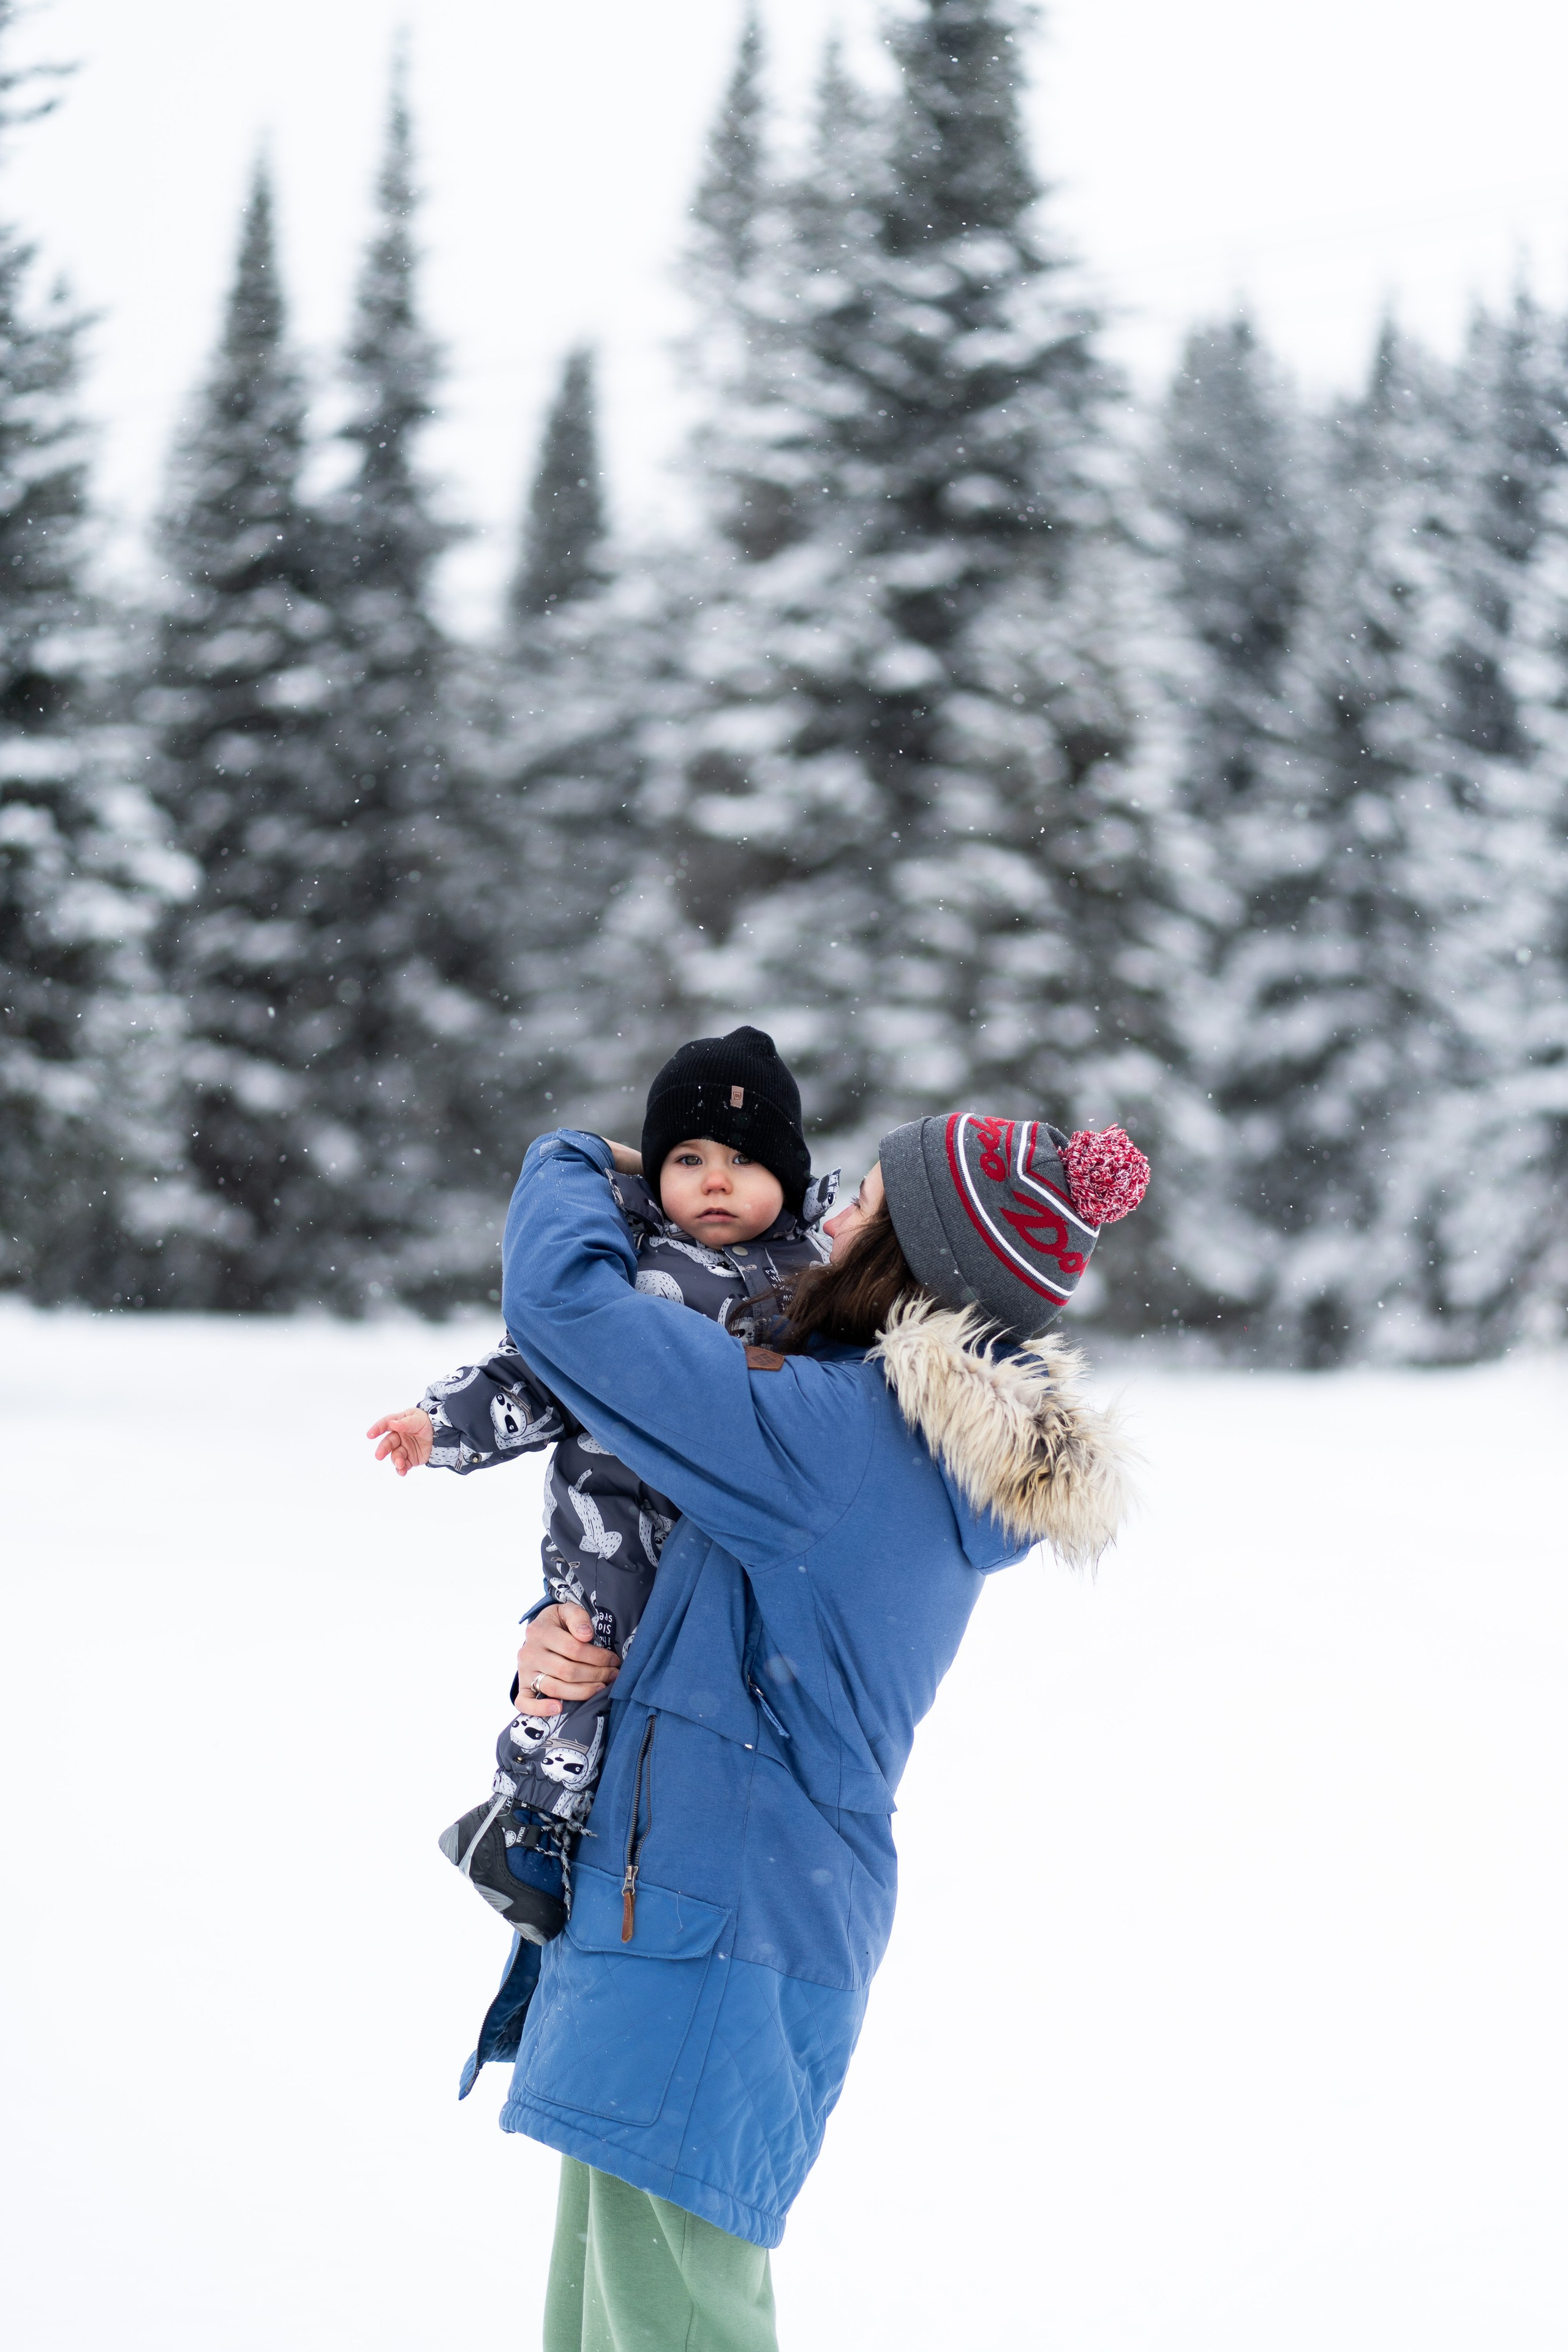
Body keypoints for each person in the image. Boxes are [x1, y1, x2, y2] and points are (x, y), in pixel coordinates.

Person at [453, 1107, 1148, 2351]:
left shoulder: (836, 1436)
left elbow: (568, 1318)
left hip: (700, 1928)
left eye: (867, 1201)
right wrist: (554, 1647)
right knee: (611, 2314)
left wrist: (570, 1158)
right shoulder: (886, 1442)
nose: (831, 1216)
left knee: (671, 2322)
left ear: (912, 1258)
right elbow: (707, 1605)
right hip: (703, 1912)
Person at [366, 1028, 835, 1943]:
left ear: (789, 1175)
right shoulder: (634, 1271)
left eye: (744, 1159)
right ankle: (526, 1822)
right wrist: (440, 1426)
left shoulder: (821, 1284)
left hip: (727, 1547)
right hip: (612, 1521)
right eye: (688, 1157)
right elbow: (534, 1374)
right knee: (589, 1655)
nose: (713, 1179)